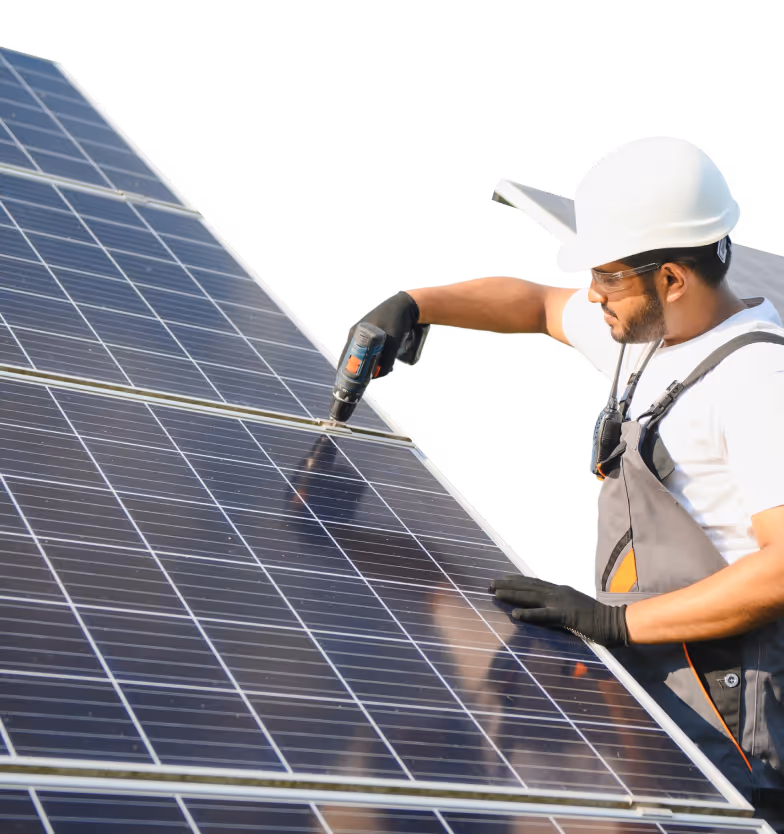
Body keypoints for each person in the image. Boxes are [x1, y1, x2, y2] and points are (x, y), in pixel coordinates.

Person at [338, 137, 784, 829]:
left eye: (606, 277)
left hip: (727, 714)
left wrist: (614, 622)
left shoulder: (756, 380)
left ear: (671, 278)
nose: (594, 294)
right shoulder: (652, 335)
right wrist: (413, 304)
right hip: (658, 682)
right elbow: (538, 305)